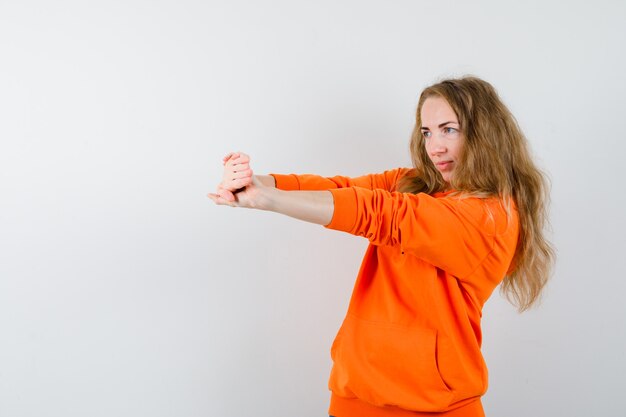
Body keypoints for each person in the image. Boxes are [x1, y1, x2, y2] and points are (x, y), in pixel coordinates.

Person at [208, 76, 555, 417]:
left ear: (485, 133)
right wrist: (256, 182)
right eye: (427, 131)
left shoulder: (490, 217)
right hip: (354, 396)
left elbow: (380, 213)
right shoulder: (414, 183)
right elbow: (341, 187)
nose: (435, 147)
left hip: (434, 409)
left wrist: (267, 200)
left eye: (449, 129)